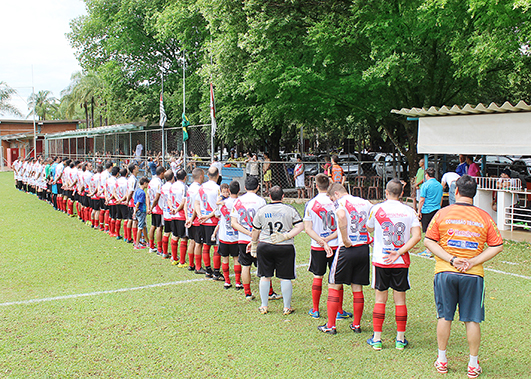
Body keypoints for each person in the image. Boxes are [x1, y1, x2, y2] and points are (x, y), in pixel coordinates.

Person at [424, 175, 503, 378]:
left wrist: (451, 259)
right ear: (474, 194)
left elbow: (429, 241)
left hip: (445, 272)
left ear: (455, 192)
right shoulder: (484, 216)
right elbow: (497, 245)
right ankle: (473, 364)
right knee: (472, 320)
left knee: (444, 316)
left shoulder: (442, 213)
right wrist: (474, 261)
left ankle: (442, 359)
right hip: (473, 275)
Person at [365, 179, 422, 350]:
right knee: (400, 300)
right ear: (402, 194)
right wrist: (399, 252)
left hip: (381, 260)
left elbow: (369, 228)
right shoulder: (409, 211)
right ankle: (400, 339)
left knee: (380, 299)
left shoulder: (376, 209)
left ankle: (377, 339)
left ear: (386, 192)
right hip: (400, 261)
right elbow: (417, 236)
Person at [318, 183, 373, 335]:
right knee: (357, 287)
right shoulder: (365, 202)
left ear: (336, 194)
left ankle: (331, 325)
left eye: (331, 199)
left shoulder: (341, 203)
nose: (332, 202)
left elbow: (342, 215)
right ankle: (356, 325)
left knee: (333, 284)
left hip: (347, 248)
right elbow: (372, 217)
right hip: (363, 248)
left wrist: (345, 238)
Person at [251, 185, 304, 315]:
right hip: (285, 246)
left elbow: (255, 230)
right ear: (283, 197)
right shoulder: (290, 209)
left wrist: (253, 244)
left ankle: (264, 306)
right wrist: (286, 236)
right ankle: (286, 307)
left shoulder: (262, 210)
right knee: (285, 278)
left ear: (269, 196)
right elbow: (300, 226)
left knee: (265, 276)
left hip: (265, 245)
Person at [231, 176, 281, 300]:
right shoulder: (261, 201)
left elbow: (234, 223)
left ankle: (248, 293)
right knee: (264, 265)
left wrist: (248, 233)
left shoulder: (238, 201)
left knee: (245, 265)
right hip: (259, 239)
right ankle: (269, 292)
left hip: (243, 238)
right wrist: (254, 235)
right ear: (258, 187)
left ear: (245, 187)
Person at [303, 173, 343, 319]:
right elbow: (342, 226)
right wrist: (328, 239)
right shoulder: (337, 202)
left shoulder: (311, 204)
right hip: (336, 245)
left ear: (316, 185)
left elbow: (307, 229)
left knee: (317, 276)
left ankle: (315, 309)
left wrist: (321, 241)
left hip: (318, 246)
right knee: (337, 279)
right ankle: (339, 311)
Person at [196, 167, 222, 279]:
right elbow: (219, 207)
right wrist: (208, 216)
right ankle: (216, 272)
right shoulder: (218, 189)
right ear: (218, 175)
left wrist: (200, 215)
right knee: (216, 247)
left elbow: (196, 203)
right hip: (213, 221)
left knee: (206, 246)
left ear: (207, 174)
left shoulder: (201, 187)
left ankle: (208, 270)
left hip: (203, 221)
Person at [218, 181, 242, 289]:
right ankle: (237, 282)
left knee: (225, 259)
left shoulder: (224, 203)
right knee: (236, 259)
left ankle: (227, 281)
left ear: (228, 190)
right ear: (239, 190)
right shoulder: (240, 203)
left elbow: (217, 214)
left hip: (224, 236)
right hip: (236, 237)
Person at [185, 168, 205, 274]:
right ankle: (198, 267)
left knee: (191, 241)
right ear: (201, 175)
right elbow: (196, 206)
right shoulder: (199, 189)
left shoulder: (189, 188)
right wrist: (192, 218)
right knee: (198, 243)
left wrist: (188, 218)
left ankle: (191, 264)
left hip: (189, 217)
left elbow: (186, 203)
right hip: (196, 219)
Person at [169, 169, 188, 266]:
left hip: (173, 215)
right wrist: (177, 210)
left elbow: (168, 199)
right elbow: (184, 201)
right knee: (183, 238)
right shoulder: (184, 187)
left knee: (174, 236)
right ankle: (182, 261)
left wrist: (172, 208)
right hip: (181, 215)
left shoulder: (172, 186)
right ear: (185, 177)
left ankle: (174, 258)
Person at [417, 168, 443, 233]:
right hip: (436, 210)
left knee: (426, 231)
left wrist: (419, 211)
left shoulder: (425, 185)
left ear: (427, 175)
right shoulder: (439, 185)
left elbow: (422, 199)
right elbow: (441, 198)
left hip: (427, 210)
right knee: (434, 231)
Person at [148, 166, 165, 254]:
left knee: (153, 226)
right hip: (158, 207)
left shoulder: (151, 181)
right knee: (159, 227)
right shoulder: (159, 183)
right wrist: (152, 207)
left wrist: (149, 207)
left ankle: (151, 246)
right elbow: (157, 197)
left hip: (153, 207)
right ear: (162, 173)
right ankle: (159, 249)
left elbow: (148, 195)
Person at [160, 170, 175, 259]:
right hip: (173, 213)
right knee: (174, 235)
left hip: (165, 212)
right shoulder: (173, 187)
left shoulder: (163, 187)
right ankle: (173, 256)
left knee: (166, 233)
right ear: (173, 177)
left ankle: (164, 252)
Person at [133, 177, 150, 249]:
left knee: (143, 226)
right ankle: (137, 244)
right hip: (141, 211)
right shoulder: (142, 193)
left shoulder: (137, 191)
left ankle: (148, 242)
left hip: (138, 210)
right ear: (144, 183)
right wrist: (135, 211)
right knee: (140, 227)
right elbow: (138, 202)